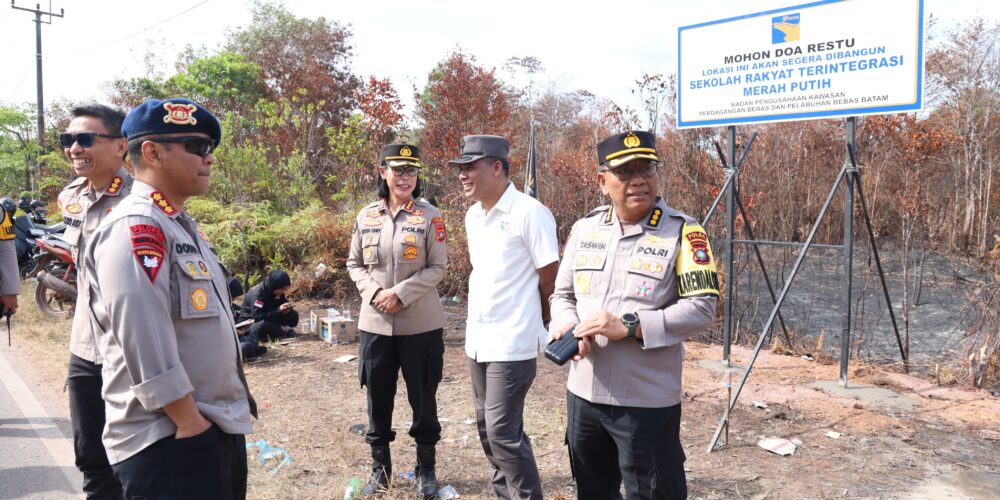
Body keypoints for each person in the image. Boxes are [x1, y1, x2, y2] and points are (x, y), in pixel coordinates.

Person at [83, 98, 255, 499]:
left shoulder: (177, 224)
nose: (208, 159)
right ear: (152, 152)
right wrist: (190, 423)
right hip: (170, 437)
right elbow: (144, 337)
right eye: (196, 147)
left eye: (209, 149)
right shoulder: (137, 227)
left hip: (208, 428)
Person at [549, 131, 719, 499]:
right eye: (625, 172)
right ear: (602, 181)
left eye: (646, 168)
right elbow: (561, 294)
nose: (638, 179)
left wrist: (629, 327)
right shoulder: (584, 229)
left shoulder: (685, 233)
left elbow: (702, 308)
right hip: (584, 395)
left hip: (645, 402)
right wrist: (564, 326)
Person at [448, 135, 559, 499]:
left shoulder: (530, 213)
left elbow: (551, 277)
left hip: (513, 341)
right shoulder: (473, 216)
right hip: (479, 340)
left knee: (502, 433)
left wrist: (543, 319)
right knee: (487, 431)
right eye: (460, 169)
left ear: (497, 167)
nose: (463, 176)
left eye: (471, 168)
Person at [346, 144, 448, 498]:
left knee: (423, 398)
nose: (405, 177)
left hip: (420, 324)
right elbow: (354, 264)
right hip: (374, 324)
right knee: (378, 398)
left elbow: (438, 266)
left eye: (411, 171)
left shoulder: (430, 215)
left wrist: (400, 293)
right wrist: (376, 294)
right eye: (398, 169)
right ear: (383, 172)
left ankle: (426, 469)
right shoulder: (366, 216)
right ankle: (381, 469)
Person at [58, 103, 133, 499]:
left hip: (127, 352)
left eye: (85, 139)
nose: (74, 148)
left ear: (121, 145)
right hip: (84, 346)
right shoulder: (70, 197)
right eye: (68, 140)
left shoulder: (141, 202)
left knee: (132, 458)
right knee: (90, 455)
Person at [240, 269, 299, 341]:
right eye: (282, 289)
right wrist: (278, 310)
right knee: (263, 325)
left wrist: (287, 309)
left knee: (294, 315)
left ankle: (281, 329)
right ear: (274, 286)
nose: (283, 291)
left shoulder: (277, 290)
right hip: (252, 323)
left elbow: (282, 303)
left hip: (270, 316)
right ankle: (285, 330)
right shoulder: (258, 295)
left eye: (285, 289)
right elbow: (258, 317)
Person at [228, 277, 267, 360]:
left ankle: (252, 350)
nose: (234, 299)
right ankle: (251, 351)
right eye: (233, 297)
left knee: (252, 330)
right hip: (228, 342)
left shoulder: (232, 307)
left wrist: (243, 326)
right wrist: (236, 332)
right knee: (245, 346)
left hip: (239, 336)